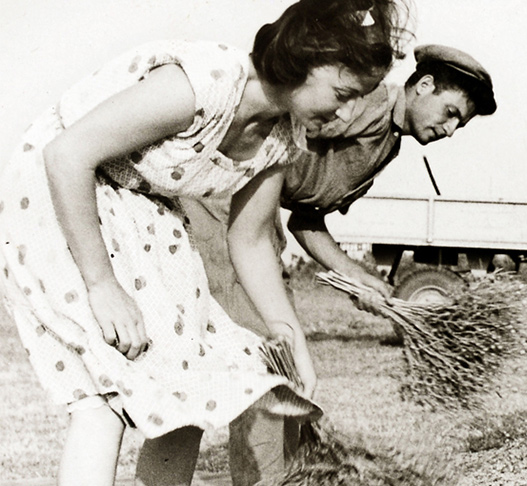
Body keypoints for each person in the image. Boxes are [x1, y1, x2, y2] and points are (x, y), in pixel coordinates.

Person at [0, 1, 408, 484]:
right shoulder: (204, 83)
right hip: (61, 198)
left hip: (139, 208)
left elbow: (250, 240)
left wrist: (291, 336)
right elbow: (67, 155)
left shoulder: (282, 137)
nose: (348, 113)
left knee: (193, 390)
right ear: (305, 57)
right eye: (344, 93)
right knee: (101, 399)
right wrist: (102, 285)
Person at [180, 44, 496, 486]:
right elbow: (276, 121)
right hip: (222, 206)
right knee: (268, 359)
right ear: (424, 85)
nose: (450, 130)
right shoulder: (369, 105)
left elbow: (306, 220)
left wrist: (358, 276)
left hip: (256, 220)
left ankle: (279, 476)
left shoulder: (387, 146)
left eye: (459, 124)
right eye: (450, 113)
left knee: (282, 362)